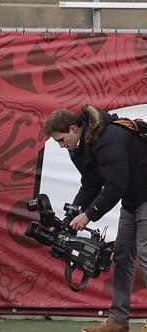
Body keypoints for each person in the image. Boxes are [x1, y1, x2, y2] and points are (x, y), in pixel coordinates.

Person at [43, 106, 147, 332]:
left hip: (142, 194)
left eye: (61, 140)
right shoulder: (78, 148)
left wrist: (89, 215)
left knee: (146, 252)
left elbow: (116, 185)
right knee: (122, 256)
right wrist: (71, 217)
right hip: (134, 198)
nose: (61, 146)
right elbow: (90, 184)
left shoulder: (107, 139)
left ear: (73, 129)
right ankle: (118, 322)